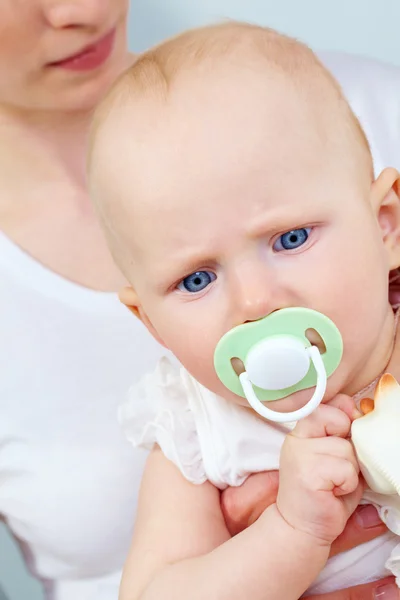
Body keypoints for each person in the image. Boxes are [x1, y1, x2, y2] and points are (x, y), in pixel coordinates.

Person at [0, 2, 398, 599]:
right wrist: (291, 534)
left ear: (386, 226)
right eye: (195, 280)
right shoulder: (200, 432)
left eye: (290, 239)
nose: (255, 300)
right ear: (151, 324)